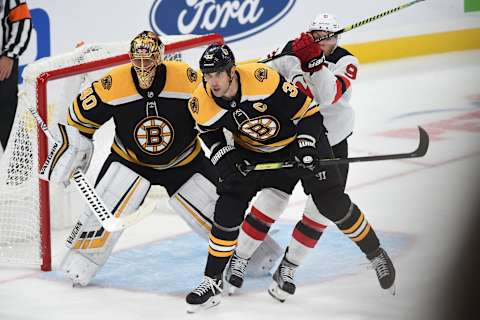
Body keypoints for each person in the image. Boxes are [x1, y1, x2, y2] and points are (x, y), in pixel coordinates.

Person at [43, 31, 280, 287]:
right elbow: (79, 121)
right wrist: (72, 150)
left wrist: (236, 145)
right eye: (138, 60)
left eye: (149, 60)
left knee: (219, 212)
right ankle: (81, 261)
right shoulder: (114, 83)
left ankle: (258, 257)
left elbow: (218, 111)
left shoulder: (186, 79)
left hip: (185, 162)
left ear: (161, 57)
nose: (143, 67)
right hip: (130, 161)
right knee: (104, 208)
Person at [185, 42, 395, 313]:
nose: (212, 81)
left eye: (217, 74)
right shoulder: (199, 100)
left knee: (331, 202)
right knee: (228, 206)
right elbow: (209, 132)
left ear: (232, 72)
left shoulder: (263, 80)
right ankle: (211, 281)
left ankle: (376, 254)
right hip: (254, 152)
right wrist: (223, 156)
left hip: (295, 144)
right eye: (208, 75)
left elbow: (307, 113)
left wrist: (307, 146)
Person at [0, 0, 32, 152]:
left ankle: (17, 168)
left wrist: (10, 55)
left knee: (8, 115)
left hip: (2, 62)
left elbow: (22, 20)